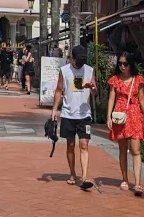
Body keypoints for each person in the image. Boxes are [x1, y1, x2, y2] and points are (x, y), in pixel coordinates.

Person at [52, 45, 96, 190]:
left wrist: (92, 88)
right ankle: (72, 173)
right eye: (78, 61)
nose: (80, 64)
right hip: (68, 113)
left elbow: (95, 92)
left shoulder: (89, 70)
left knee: (84, 144)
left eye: (82, 61)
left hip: (84, 114)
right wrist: (54, 110)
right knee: (70, 145)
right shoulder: (64, 71)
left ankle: (84, 177)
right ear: (72, 58)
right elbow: (59, 90)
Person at [106, 52, 144, 196]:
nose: (122, 67)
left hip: (135, 115)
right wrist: (108, 117)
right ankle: (124, 179)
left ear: (130, 64)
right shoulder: (115, 80)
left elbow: (142, 100)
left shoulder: (138, 80)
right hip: (120, 116)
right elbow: (111, 99)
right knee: (122, 149)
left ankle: (137, 183)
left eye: (125, 64)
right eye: (120, 64)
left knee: (136, 149)